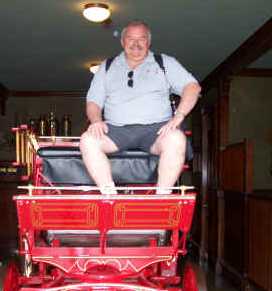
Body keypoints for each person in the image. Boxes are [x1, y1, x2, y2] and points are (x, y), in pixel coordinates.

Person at [80, 20, 201, 194]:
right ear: (123, 42)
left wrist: (179, 117)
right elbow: (93, 102)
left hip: (157, 131)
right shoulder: (106, 67)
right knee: (88, 140)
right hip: (116, 130)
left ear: (148, 42)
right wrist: (96, 121)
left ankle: (162, 198)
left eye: (142, 39)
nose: (136, 44)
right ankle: (110, 195)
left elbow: (192, 87)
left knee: (176, 139)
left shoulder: (164, 62)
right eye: (131, 38)